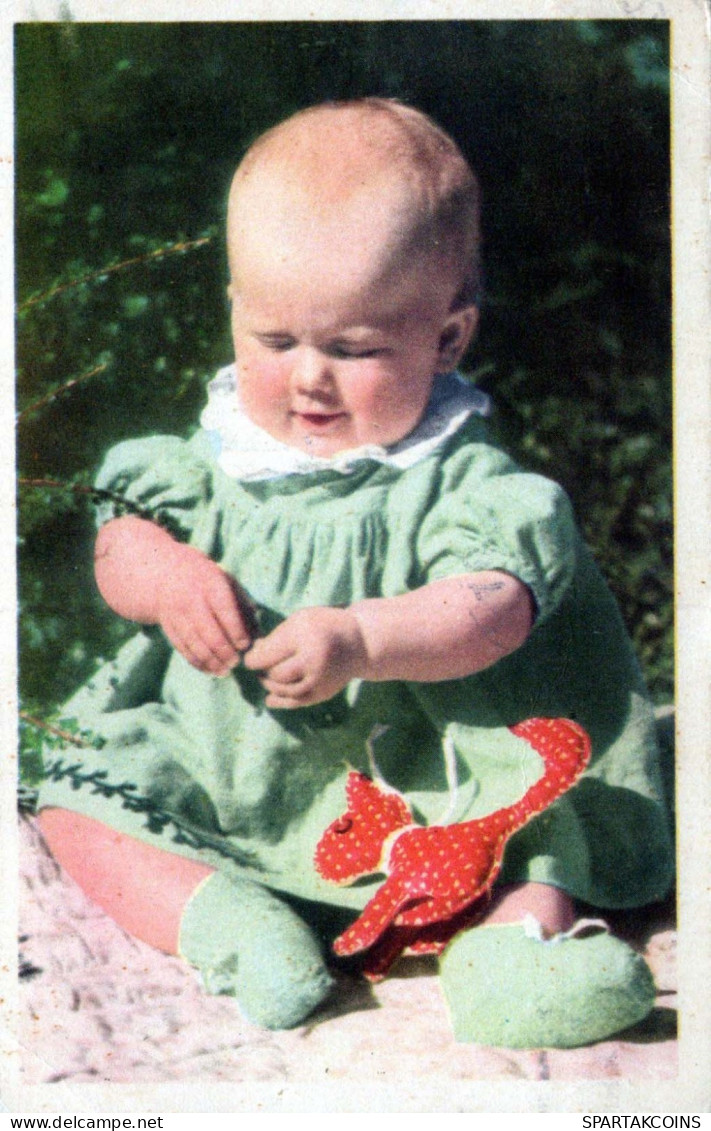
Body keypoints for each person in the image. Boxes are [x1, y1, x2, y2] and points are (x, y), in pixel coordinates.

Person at [36, 98, 673, 1046]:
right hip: (231, 759)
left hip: (426, 770)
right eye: (275, 340)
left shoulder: (462, 479)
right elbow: (119, 539)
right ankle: (232, 924)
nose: (307, 379)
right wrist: (166, 576)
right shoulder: (215, 457)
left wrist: (365, 636)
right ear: (234, 314)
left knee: (538, 830)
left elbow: (494, 605)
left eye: (352, 349)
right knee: (78, 800)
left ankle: (505, 958)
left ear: (446, 339)